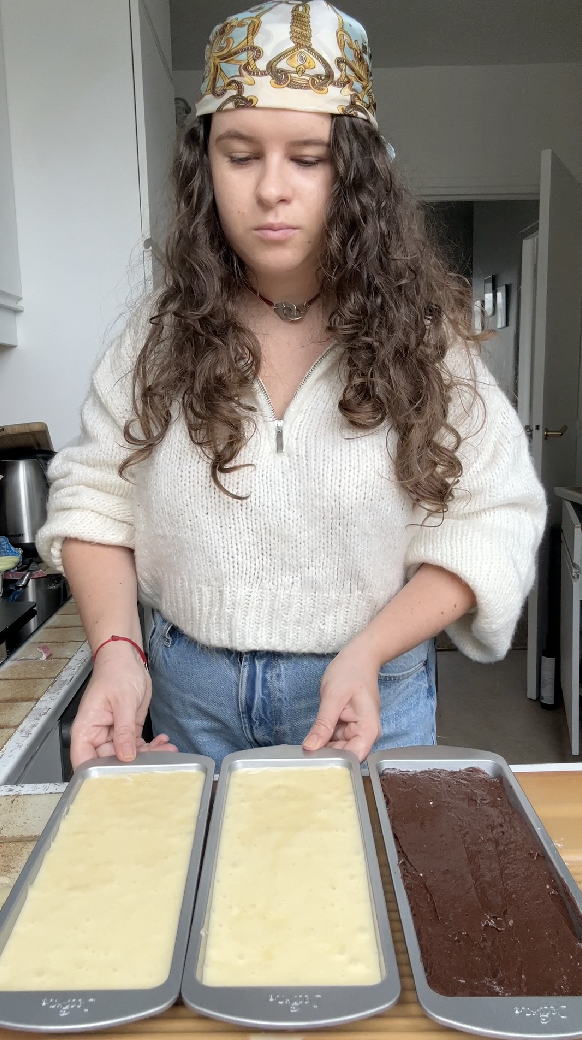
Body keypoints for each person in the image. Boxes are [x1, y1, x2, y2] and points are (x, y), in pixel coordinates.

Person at [37, 0, 546, 771]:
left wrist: (371, 650)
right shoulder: (158, 334)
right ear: (205, 167)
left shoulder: (425, 343)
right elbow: (95, 499)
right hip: (186, 694)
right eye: (241, 155)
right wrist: (116, 653)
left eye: (308, 158)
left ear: (356, 173)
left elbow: (494, 516)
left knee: (360, 887)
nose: (272, 188)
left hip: (369, 688)